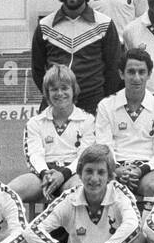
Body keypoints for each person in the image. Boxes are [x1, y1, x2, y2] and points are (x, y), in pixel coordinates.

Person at [26, 144, 145, 243]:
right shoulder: (70, 197)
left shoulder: (121, 193)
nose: (94, 178)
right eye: (89, 171)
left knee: (138, 240)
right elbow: (32, 230)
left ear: (110, 176)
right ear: (80, 174)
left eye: (101, 172)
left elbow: (133, 225)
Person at [31, 0, 121, 115]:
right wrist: (55, 94)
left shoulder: (104, 24)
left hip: (94, 105)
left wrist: (103, 101)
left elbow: (113, 69)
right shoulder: (45, 26)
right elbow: (37, 70)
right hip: (55, 104)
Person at [93, 47, 154, 209]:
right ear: (122, 74)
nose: (136, 78)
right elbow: (104, 146)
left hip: (148, 167)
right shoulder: (106, 105)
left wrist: (140, 170)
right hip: (116, 166)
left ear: (149, 74)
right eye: (131, 72)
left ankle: (146, 231)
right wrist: (117, 169)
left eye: (142, 72)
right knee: (99, 182)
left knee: (152, 185)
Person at [10, 64, 96, 205]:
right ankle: (20, 227)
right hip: (43, 176)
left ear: (73, 90)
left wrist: (63, 174)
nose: (60, 93)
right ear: (47, 92)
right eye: (54, 89)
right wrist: (45, 173)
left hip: (73, 174)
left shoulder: (88, 120)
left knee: (79, 189)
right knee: (11, 191)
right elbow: (34, 155)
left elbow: (85, 156)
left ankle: (70, 227)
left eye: (64, 88)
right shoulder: (35, 123)